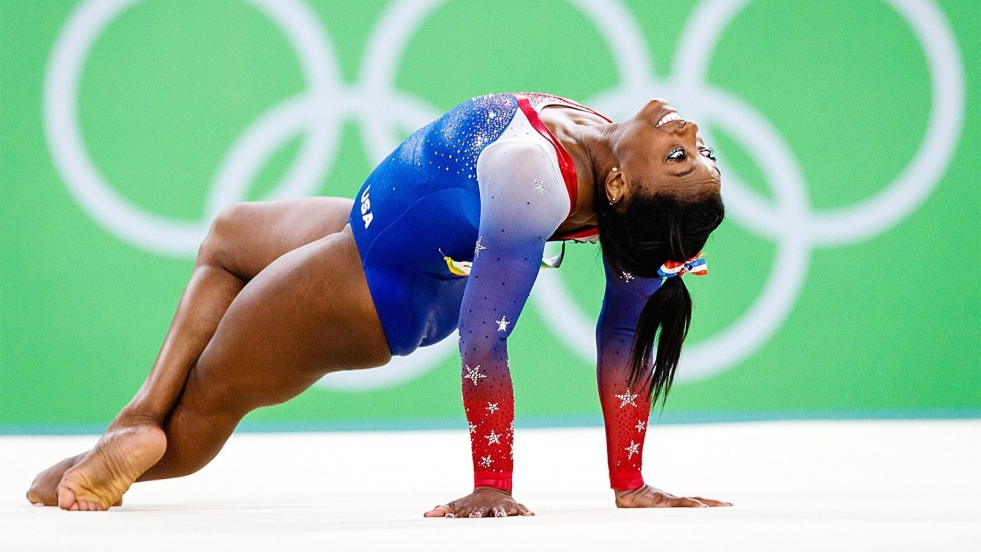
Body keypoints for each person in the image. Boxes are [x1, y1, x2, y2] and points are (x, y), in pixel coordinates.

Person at [26, 93, 728, 515]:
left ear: (619, 189)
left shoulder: (535, 178)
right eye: (703, 155)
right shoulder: (607, 149)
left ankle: (141, 448)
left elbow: (490, 342)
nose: (691, 139)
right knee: (229, 235)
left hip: (370, 286)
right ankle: (129, 425)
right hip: (363, 232)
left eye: (680, 160)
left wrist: (492, 484)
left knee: (207, 400)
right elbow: (622, 333)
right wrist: (628, 483)